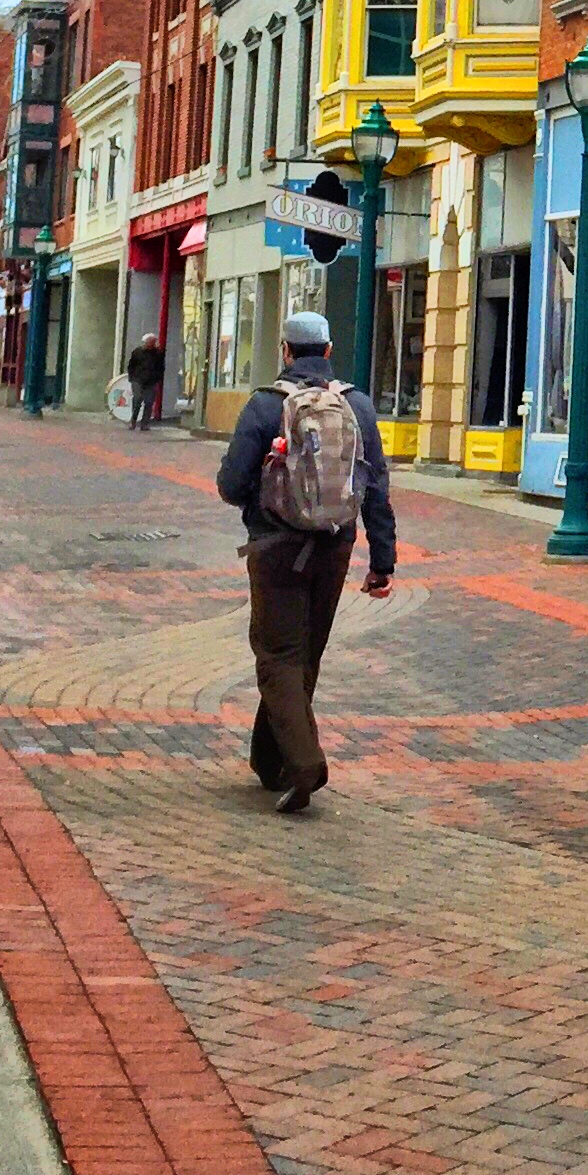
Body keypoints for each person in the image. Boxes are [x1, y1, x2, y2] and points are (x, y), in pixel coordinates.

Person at [214, 312, 395, 813]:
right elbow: (375, 486)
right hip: (334, 547)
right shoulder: (356, 404)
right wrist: (383, 561)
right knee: (303, 655)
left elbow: (231, 487)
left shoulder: (265, 404)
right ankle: (268, 762)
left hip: (276, 547)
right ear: (329, 349)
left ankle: (305, 765)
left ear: (285, 350)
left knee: (277, 657)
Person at [125, 332, 164, 429]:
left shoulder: (158, 354)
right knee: (137, 399)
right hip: (138, 379)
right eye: (149, 342)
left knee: (149, 402)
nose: (151, 344)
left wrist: (158, 379)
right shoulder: (137, 352)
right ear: (145, 342)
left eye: (153, 342)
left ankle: (145, 423)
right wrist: (132, 377)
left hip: (151, 381)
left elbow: (161, 367)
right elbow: (131, 365)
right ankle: (133, 420)